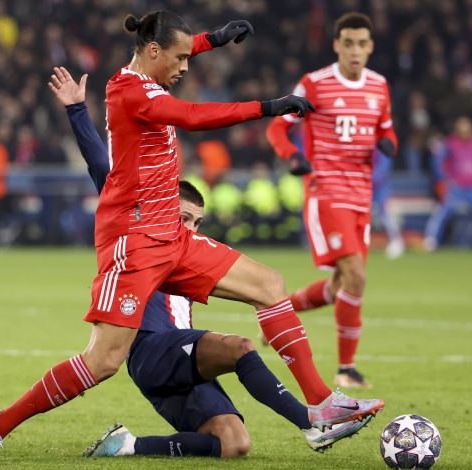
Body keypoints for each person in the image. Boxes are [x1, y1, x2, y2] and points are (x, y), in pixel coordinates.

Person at [0, 11, 382, 464]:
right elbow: (194, 117)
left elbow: (177, 49)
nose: (185, 66)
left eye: (188, 56)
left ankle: (321, 405)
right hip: (134, 241)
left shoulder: (151, 70)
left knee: (270, 286)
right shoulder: (130, 92)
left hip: (172, 235)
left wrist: (212, 40)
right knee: (101, 363)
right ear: (153, 52)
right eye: (179, 58)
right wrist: (270, 107)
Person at [56, 76, 371, 456]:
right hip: (155, 352)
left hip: (184, 357)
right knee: (239, 347)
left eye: (197, 223)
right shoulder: (139, 230)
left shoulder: (188, 254)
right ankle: (313, 422)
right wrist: (76, 109)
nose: (190, 229)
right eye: (185, 218)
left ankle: (126, 446)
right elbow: (99, 164)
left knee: (234, 445)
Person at [266, 12, 398, 388]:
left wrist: (389, 143)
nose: (355, 51)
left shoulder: (379, 86)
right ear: (336, 45)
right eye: (348, 43)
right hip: (325, 190)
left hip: (361, 195)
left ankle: (281, 313)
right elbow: (278, 127)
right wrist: (292, 157)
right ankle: (347, 369)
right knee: (356, 275)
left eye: (362, 44)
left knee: (343, 284)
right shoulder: (315, 84)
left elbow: (387, 127)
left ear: (370, 47)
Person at [423, 116, 472, 251]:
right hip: (456, 187)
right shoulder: (451, 143)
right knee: (442, 212)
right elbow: (438, 160)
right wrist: (443, 177)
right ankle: (431, 239)